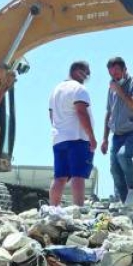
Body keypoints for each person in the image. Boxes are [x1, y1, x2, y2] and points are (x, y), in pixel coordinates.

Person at [100, 56, 133, 205]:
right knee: (115, 170)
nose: (114, 77)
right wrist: (105, 138)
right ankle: (126, 204)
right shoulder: (111, 89)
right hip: (117, 135)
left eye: (116, 73)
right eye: (111, 74)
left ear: (125, 69)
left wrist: (119, 91)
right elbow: (109, 112)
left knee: (123, 155)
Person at [48, 61, 96, 206]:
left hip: (59, 139)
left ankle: (53, 209)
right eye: (86, 72)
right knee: (78, 176)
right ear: (77, 71)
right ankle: (78, 210)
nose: (87, 76)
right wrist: (92, 137)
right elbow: (81, 112)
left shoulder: (55, 90)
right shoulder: (79, 89)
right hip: (78, 138)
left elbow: (51, 115)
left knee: (60, 177)